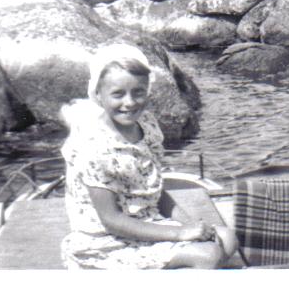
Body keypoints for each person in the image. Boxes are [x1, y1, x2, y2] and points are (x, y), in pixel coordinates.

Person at [60, 44, 237, 269]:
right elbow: (111, 220)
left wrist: (192, 226)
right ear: (98, 95)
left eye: (138, 92)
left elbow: (155, 190)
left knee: (226, 239)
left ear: (147, 90)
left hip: (148, 222)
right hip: (106, 241)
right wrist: (180, 234)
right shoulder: (94, 147)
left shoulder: (148, 126)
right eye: (117, 94)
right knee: (208, 255)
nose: (130, 102)